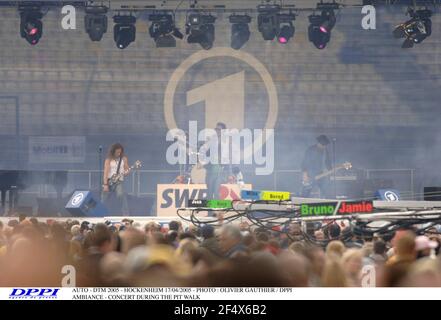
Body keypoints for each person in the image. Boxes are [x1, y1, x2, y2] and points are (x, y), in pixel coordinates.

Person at [201, 122, 229, 200]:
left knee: (217, 192)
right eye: (216, 129)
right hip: (211, 169)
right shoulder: (212, 140)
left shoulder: (227, 141)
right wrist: (204, 163)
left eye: (218, 129)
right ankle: (210, 211)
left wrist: (226, 167)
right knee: (209, 192)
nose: (216, 131)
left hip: (221, 171)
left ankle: (217, 211)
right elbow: (202, 149)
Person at [102, 143, 130, 215]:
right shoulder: (109, 160)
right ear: (113, 151)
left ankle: (125, 213)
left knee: (120, 195)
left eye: (120, 152)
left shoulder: (124, 159)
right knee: (104, 198)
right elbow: (106, 172)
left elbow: (127, 169)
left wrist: (127, 172)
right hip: (109, 180)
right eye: (117, 152)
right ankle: (101, 212)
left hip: (119, 181)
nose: (119, 153)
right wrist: (105, 184)